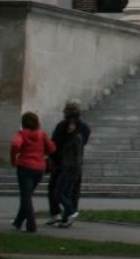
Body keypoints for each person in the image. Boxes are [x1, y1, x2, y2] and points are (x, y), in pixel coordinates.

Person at [9, 111, 54, 234]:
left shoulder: (22, 134)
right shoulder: (42, 134)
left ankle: (31, 225)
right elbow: (52, 148)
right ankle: (18, 221)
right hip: (39, 168)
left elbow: (15, 145)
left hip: (25, 167)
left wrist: (14, 159)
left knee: (26, 196)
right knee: (27, 195)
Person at [47, 100, 89, 228]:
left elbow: (54, 144)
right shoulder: (85, 127)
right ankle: (68, 217)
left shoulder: (62, 126)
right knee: (72, 191)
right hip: (76, 163)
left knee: (56, 190)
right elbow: (83, 143)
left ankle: (63, 213)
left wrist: (53, 158)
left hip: (63, 163)